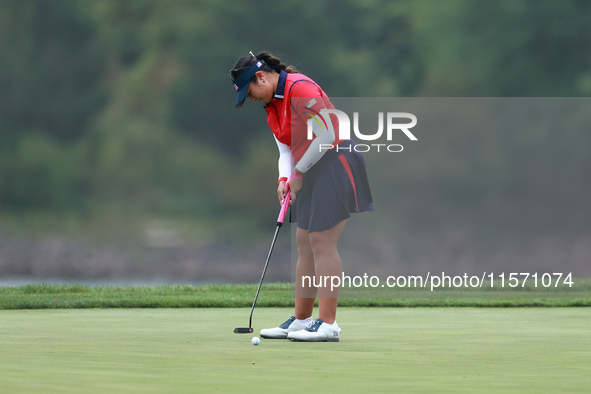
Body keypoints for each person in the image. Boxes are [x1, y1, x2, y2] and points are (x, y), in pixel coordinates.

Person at [229, 51, 373, 342]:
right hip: (308, 168)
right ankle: (302, 318)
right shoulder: (271, 105)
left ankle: (328, 323)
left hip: (335, 162)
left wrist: (298, 172)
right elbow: (285, 149)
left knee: (321, 239)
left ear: (262, 77)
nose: (252, 98)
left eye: (251, 91)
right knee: (303, 240)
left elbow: (328, 133)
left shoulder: (299, 88)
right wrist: (285, 177)